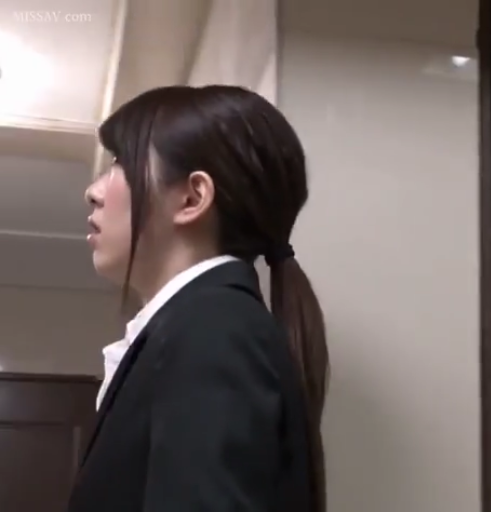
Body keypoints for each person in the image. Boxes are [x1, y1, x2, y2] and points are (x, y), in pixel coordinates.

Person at [68, 85, 328, 512]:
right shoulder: (201, 326)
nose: (93, 191)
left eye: (120, 163)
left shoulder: (214, 330)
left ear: (192, 198)